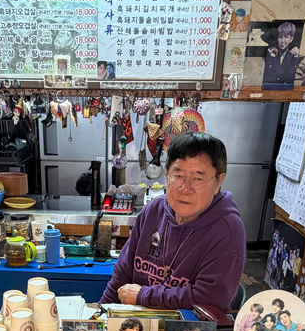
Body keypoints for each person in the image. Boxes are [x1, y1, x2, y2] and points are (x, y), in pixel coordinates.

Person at [100, 132, 245, 312]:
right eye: (178, 175)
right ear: (167, 175)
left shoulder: (227, 230)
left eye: (198, 179)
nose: (185, 188)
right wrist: (102, 314)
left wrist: (144, 296)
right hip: (136, 325)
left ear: (218, 182)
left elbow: (210, 300)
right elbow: (121, 276)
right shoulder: (154, 210)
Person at [262, 22, 300, 88]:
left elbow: (288, 77)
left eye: (286, 37)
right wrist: (271, 58)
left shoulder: (294, 56)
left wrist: (291, 56)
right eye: (280, 37)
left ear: (291, 39)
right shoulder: (270, 53)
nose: (282, 40)